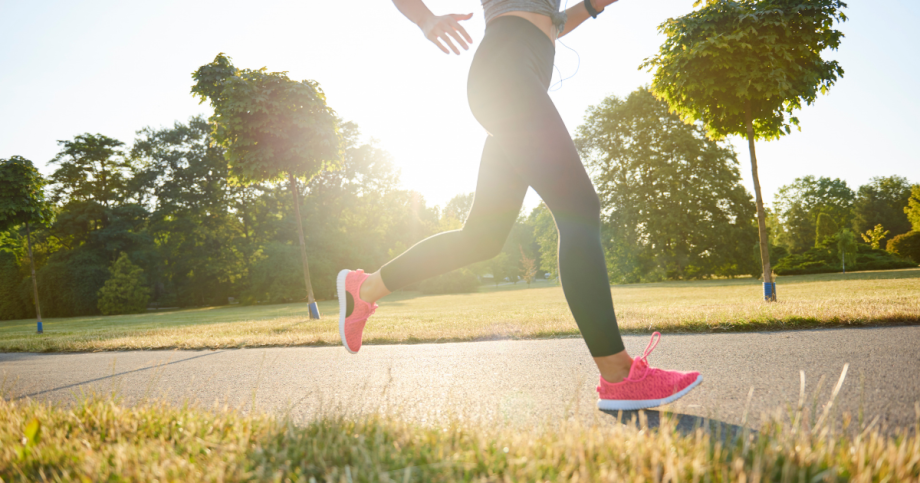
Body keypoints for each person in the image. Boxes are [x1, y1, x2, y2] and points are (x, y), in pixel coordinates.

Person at [336, 0, 701, 410]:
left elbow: (552, 25)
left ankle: (363, 288)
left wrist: (593, 6)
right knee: (578, 208)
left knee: (482, 238)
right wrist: (426, 19)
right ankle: (618, 375)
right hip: (506, 73)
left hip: (515, 75)